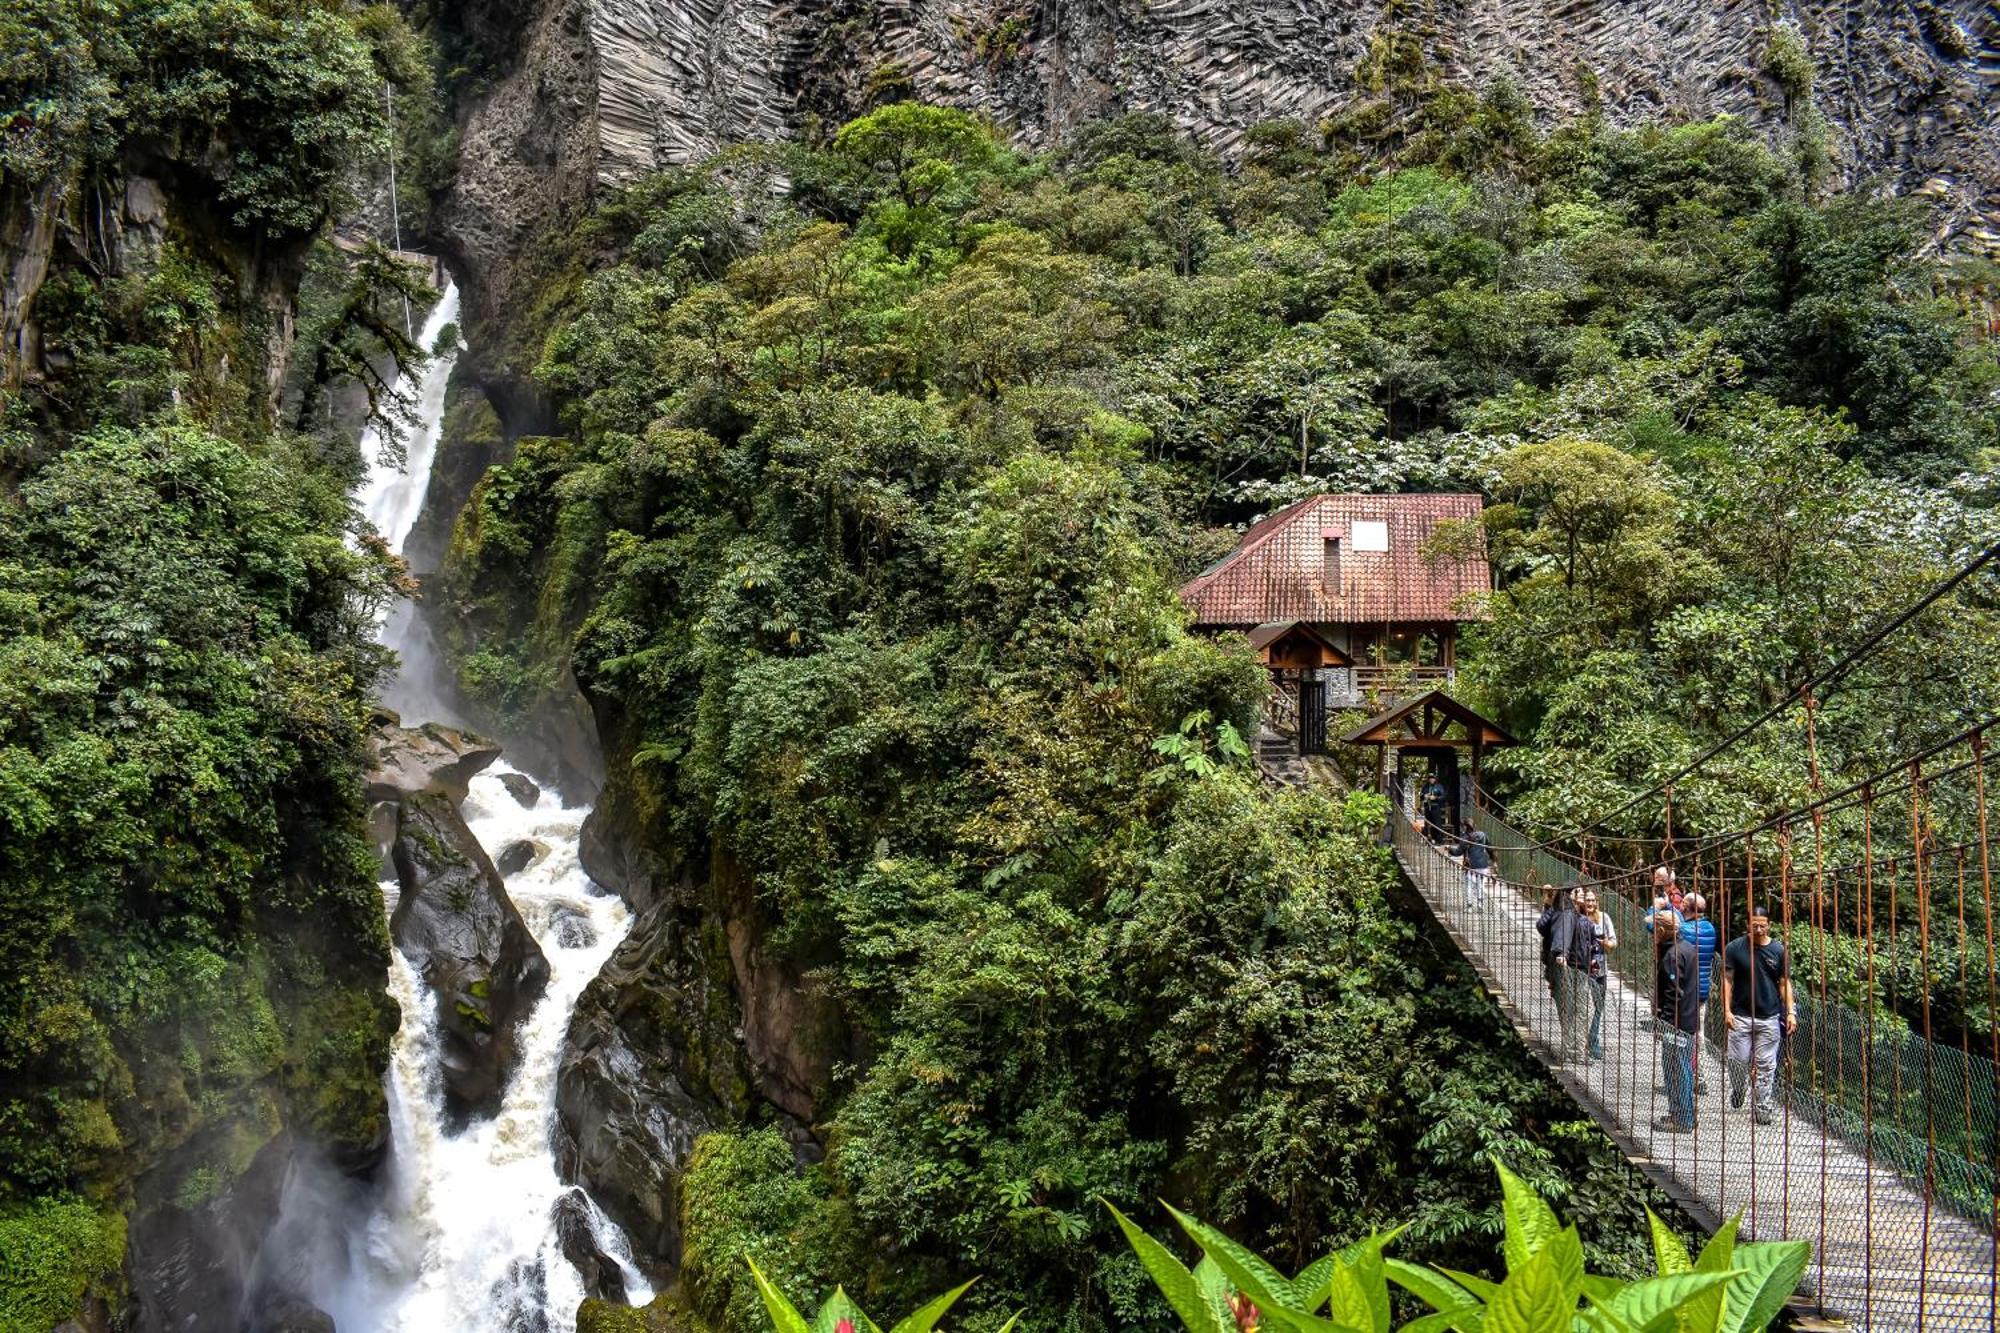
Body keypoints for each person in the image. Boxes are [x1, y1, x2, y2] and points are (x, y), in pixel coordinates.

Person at [1722, 905, 1796, 1126]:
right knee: (1737, 1061)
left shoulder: (1779, 951)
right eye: (1754, 924)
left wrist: (1790, 1012)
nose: (1758, 928)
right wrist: (1726, 1010)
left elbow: (1784, 983)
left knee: (1766, 1065)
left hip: (1769, 1017)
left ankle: (1762, 1107)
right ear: (1747, 925)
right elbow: (1727, 980)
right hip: (1741, 1015)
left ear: (1769, 925)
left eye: (1762, 925)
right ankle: (1739, 1087)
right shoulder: (1735, 948)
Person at [1653, 911, 1699, 1133]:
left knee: (1676, 1069)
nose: (1653, 933)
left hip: (1676, 1023)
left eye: (1655, 928)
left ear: (1662, 930)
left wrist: (1663, 1023)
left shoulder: (1672, 955)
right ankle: (1684, 1113)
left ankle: (1682, 1119)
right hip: (1689, 1019)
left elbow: (1674, 993)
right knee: (1682, 1068)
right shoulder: (1688, 948)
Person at [1537, 885, 1594, 1063]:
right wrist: (1562, 953)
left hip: (1571, 969)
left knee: (1570, 1010)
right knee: (1580, 1010)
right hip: (1572, 969)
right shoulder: (1566, 913)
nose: (1583, 894)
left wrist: (1548, 905)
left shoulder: (1564, 912)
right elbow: (1559, 933)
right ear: (1569, 895)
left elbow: (1542, 926)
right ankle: (1575, 1052)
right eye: (1579, 891)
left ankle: (1571, 1049)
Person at [1680, 893, 1720, 1094]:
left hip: (1683, 991)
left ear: (1686, 906)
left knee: (1681, 1034)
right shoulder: (1710, 929)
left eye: (1682, 903)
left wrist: (1656, 907)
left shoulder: (1683, 929)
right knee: (1698, 1034)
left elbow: (1653, 927)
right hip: (1702, 989)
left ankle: (1684, 1075)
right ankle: (1699, 1077)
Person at [1579, 887, 1617, 1062]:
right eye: (1588, 900)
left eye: (1593, 900)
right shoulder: (1577, 918)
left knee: (1598, 1007)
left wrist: (1604, 943)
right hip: (1579, 969)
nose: (1591, 904)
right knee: (1581, 1007)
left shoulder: (1604, 918)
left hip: (1599, 970)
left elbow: (1613, 943)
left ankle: (1592, 1040)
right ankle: (1585, 1042)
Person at [1461, 826, 1492, 910]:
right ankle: (1480, 904)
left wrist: (1449, 849)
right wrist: (1494, 860)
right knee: (1481, 884)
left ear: (1465, 827)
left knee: (1469, 886)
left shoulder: (1465, 837)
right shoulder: (1483, 835)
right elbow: (1489, 848)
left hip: (1470, 865)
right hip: (1482, 864)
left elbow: (1458, 851)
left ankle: (1469, 906)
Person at [1422, 775, 1448, 845]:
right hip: (1427, 808)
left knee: (1437, 824)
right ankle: (1430, 840)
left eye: (1432, 778)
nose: (1431, 779)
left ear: (1435, 779)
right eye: (1430, 778)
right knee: (1428, 824)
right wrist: (1424, 796)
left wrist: (1435, 798)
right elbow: (1421, 795)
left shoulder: (1439, 786)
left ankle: (1439, 841)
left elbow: (1443, 796)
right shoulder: (1425, 787)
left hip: (1436, 807)